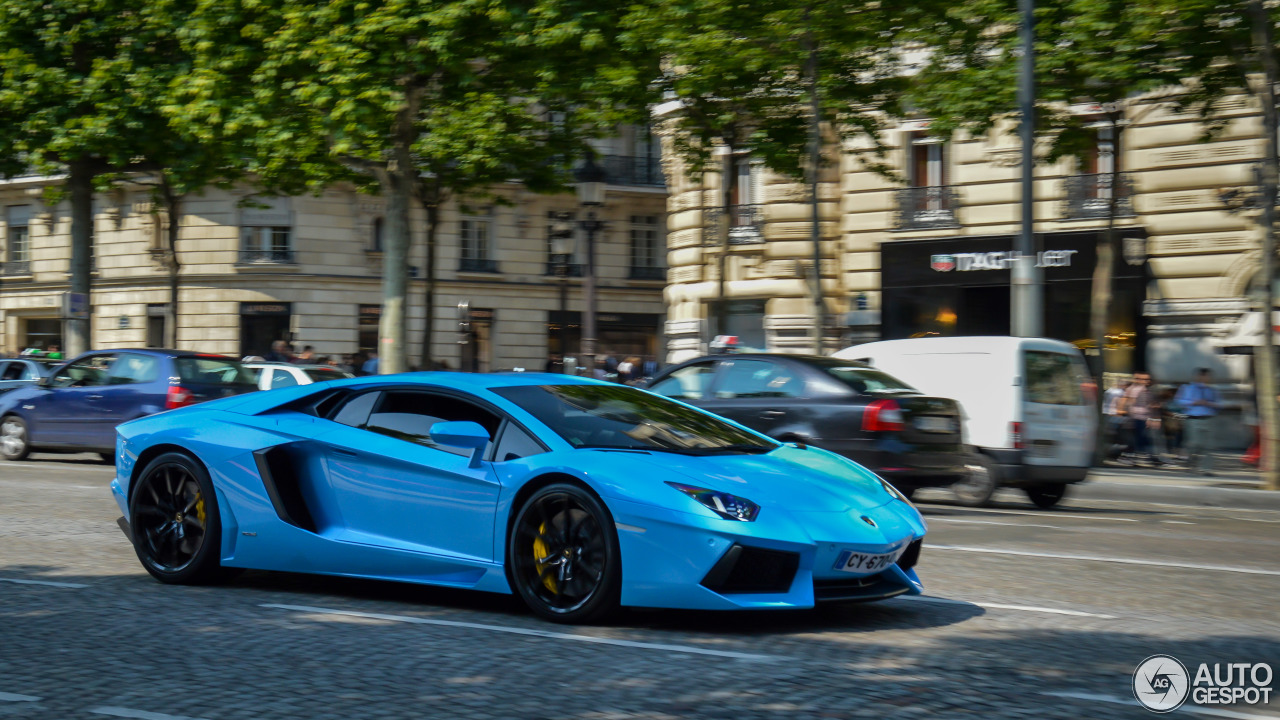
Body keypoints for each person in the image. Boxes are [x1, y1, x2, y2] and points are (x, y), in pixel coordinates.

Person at [1175, 368, 1220, 475]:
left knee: (1208, 445)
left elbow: (1219, 404)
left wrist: (1210, 404)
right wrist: (1193, 402)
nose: (1205, 378)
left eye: (1207, 376)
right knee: (1194, 444)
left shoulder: (1212, 390)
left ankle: (1206, 469)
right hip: (1193, 418)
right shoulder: (1187, 388)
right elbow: (1179, 401)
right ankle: (1191, 464)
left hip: (1208, 418)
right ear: (1197, 376)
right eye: (1203, 376)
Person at [1118, 372, 1158, 466]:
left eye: (1147, 379)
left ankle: (1131, 456)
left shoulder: (1144, 390)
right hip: (1136, 417)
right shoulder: (1135, 389)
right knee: (1136, 439)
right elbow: (1130, 403)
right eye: (1144, 379)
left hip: (1141, 417)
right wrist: (1131, 416)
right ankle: (1127, 457)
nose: (1146, 381)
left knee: (1138, 438)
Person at [1103, 378, 1131, 458]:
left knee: (1109, 434)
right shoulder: (1120, 392)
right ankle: (1113, 453)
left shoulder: (1110, 390)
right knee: (1116, 436)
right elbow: (1119, 406)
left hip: (1107, 412)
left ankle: (1109, 451)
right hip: (1115, 414)